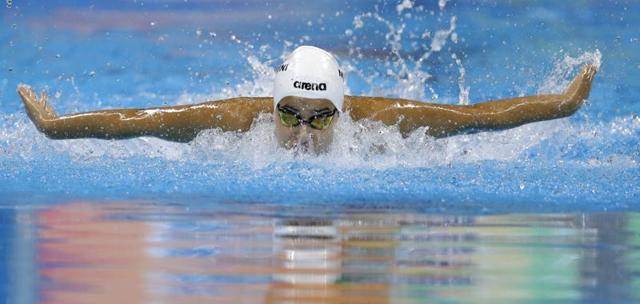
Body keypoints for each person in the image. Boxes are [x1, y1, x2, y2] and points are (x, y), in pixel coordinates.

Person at [17, 45, 597, 151]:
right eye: (290, 115)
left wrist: (563, 104)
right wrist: (57, 126)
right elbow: (141, 121)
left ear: (343, 113)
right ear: (271, 108)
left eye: (322, 120)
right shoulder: (235, 122)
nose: (300, 134)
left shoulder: (383, 124)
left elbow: (475, 119)